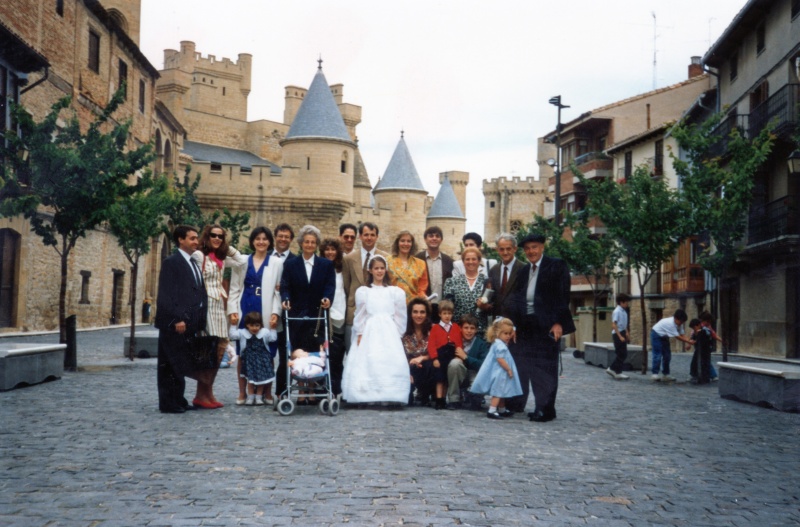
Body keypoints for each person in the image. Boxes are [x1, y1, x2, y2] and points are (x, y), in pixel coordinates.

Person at [501, 232, 575, 422]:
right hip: (526, 325)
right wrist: (513, 325)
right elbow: (518, 298)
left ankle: (545, 409)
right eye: (527, 249)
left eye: (534, 247)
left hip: (547, 325)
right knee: (524, 365)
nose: (531, 251)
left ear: (542, 247)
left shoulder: (556, 265)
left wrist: (559, 323)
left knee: (545, 368)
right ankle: (518, 403)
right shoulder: (525, 271)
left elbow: (563, 296)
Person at [341, 255, 410, 405]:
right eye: (376, 268)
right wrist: (359, 332)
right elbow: (360, 314)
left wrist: (398, 333)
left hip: (389, 331)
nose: (379, 271)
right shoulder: (364, 291)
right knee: (370, 360)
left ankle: (389, 394)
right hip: (370, 330)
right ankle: (367, 395)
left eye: (382, 268)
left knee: (387, 361)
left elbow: (400, 314)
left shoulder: (394, 292)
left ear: (386, 270)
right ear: (370, 271)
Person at [155, 225, 209, 414]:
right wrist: (176, 318)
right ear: (181, 240)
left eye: (196, 238)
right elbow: (167, 294)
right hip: (175, 324)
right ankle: (168, 403)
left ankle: (178, 398)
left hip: (189, 324)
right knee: (169, 364)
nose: (196, 241)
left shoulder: (192, 262)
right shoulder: (172, 262)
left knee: (180, 364)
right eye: (192, 238)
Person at [228, 226, 284, 406]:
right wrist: (233, 311)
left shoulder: (276, 263)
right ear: (252, 241)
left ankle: (267, 392)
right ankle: (243, 392)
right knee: (244, 353)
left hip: (265, 309)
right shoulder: (242, 261)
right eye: (258, 238)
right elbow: (235, 288)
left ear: (270, 242)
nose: (261, 242)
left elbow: (278, 292)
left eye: (265, 239)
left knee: (267, 353)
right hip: (246, 307)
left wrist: (276, 313)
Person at [192, 224, 248, 395]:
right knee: (206, 351)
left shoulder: (221, 259)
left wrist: (226, 247)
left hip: (218, 308)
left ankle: (208, 390)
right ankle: (201, 393)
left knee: (219, 349)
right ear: (207, 237)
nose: (217, 238)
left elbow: (241, 260)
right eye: (213, 235)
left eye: (220, 236)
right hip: (205, 306)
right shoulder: (199, 255)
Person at [280, 225, 336, 354]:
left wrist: (328, 298)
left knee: (317, 353)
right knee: (296, 353)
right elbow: (285, 286)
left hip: (317, 317)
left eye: (313, 242)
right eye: (307, 241)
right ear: (301, 243)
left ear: (316, 245)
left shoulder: (326, 265)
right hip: (296, 316)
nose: (309, 245)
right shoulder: (290, 264)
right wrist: (285, 299)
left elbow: (330, 286)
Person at [342, 222, 388, 349]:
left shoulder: (386, 257)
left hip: (377, 313)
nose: (369, 238)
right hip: (355, 312)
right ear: (360, 237)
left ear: (377, 237)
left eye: (372, 235)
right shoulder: (349, 259)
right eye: (366, 234)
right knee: (352, 350)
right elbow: (347, 286)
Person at [470, 317, 522, 420]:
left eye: (509, 333)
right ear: (498, 333)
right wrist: (508, 369)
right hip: (500, 372)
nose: (508, 336)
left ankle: (501, 408)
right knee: (498, 391)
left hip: (499, 371)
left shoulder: (498, 342)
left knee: (502, 390)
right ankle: (492, 409)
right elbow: (500, 359)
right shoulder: (500, 345)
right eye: (505, 333)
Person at [229, 312, 278, 406]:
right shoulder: (242, 332)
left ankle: (259, 397)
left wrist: (273, 328)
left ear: (260, 325)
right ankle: (251, 397)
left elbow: (272, 338)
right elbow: (232, 335)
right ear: (247, 325)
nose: (254, 328)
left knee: (261, 380)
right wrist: (233, 325)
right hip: (249, 361)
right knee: (250, 380)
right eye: (252, 325)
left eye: (257, 325)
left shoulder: (264, 332)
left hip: (262, 360)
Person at [446, 313, 490, 410]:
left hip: (475, 374)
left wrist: (466, 357)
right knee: (454, 363)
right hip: (459, 373)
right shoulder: (454, 342)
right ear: (460, 328)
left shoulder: (481, 344)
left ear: (476, 330)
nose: (469, 331)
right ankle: (454, 399)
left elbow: (484, 366)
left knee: (475, 404)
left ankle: (474, 395)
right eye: (466, 328)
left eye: (472, 328)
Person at [320, 237, 346, 397]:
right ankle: (323, 388)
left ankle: (336, 389)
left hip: (340, 315)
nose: (330, 252)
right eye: (327, 250)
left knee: (337, 355)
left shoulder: (342, 270)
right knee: (324, 355)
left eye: (333, 249)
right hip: (324, 316)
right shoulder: (319, 269)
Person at [427, 300, 464, 410]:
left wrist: (459, 355)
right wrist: (434, 358)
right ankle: (439, 400)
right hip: (440, 355)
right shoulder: (435, 328)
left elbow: (459, 342)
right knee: (440, 379)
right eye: (444, 313)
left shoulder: (456, 327)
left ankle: (444, 398)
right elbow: (431, 345)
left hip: (451, 355)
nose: (447, 316)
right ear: (439, 314)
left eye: (449, 313)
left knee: (447, 379)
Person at [444, 247, 489, 337]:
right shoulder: (452, 281)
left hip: (479, 331)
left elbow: (493, 306)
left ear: (479, 261)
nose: (470, 262)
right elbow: (447, 307)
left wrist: (485, 306)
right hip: (458, 329)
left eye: (474, 259)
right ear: (463, 261)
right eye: (467, 259)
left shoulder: (487, 281)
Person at [402, 297, 437, 406]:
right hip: (408, 367)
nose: (419, 315)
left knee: (431, 365)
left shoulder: (434, 329)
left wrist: (422, 358)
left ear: (427, 314)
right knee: (407, 401)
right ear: (410, 313)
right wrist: (406, 371)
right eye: (415, 312)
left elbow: (439, 352)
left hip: (427, 367)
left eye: (422, 312)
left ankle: (427, 393)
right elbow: (398, 355)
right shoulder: (403, 331)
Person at [416, 226, 454, 323]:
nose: (434, 238)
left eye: (437, 236)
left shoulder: (448, 261)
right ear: (425, 239)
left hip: (442, 308)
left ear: (441, 240)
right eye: (431, 236)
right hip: (423, 306)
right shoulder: (417, 259)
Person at [484, 233, 525, 320]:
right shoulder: (493, 270)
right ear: (497, 250)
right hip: (498, 321)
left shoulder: (524, 269)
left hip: (518, 321)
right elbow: (491, 296)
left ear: (515, 249)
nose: (505, 252)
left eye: (508, 249)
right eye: (501, 249)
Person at [387, 230, 429, 304]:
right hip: (393, 303)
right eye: (402, 241)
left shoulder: (420, 264)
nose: (406, 244)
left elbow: (422, 287)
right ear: (397, 243)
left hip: (413, 306)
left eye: (409, 241)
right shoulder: (387, 261)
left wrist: (422, 296)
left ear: (412, 244)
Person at [651, 309, 692, 382]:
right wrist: (689, 341)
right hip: (656, 334)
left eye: (682, 322)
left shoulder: (680, 324)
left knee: (667, 355)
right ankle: (655, 374)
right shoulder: (670, 323)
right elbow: (678, 336)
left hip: (664, 337)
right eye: (680, 322)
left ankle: (665, 374)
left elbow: (682, 334)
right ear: (676, 318)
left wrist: (689, 342)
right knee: (658, 354)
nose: (681, 324)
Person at [606, 293, 631, 381]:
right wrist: (620, 336)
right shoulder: (617, 311)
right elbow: (614, 325)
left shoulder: (624, 311)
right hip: (618, 333)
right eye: (626, 302)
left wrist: (627, 333)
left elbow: (624, 324)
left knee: (623, 353)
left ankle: (618, 372)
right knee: (621, 353)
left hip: (623, 332)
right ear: (621, 302)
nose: (627, 304)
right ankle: (612, 369)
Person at [687, 318, 714, 385]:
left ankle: (705, 377)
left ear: (698, 325)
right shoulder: (696, 332)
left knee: (705, 364)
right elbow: (693, 338)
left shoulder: (704, 331)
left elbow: (704, 341)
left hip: (705, 351)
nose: (694, 329)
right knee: (694, 363)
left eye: (694, 327)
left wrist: (696, 340)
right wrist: (690, 344)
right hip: (698, 351)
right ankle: (695, 375)